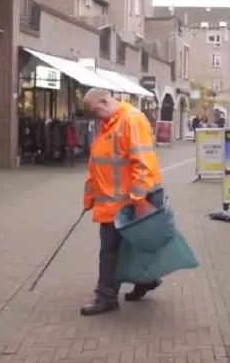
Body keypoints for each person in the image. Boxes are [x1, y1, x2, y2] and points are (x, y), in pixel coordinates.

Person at [81, 89, 163, 316]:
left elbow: (143, 163)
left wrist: (139, 200)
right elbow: (97, 165)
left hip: (131, 199)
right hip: (116, 201)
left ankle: (106, 297)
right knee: (129, 246)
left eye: (97, 109)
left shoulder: (130, 120)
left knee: (110, 250)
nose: (96, 116)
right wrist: (89, 196)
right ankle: (146, 280)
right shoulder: (108, 123)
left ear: (106, 101)